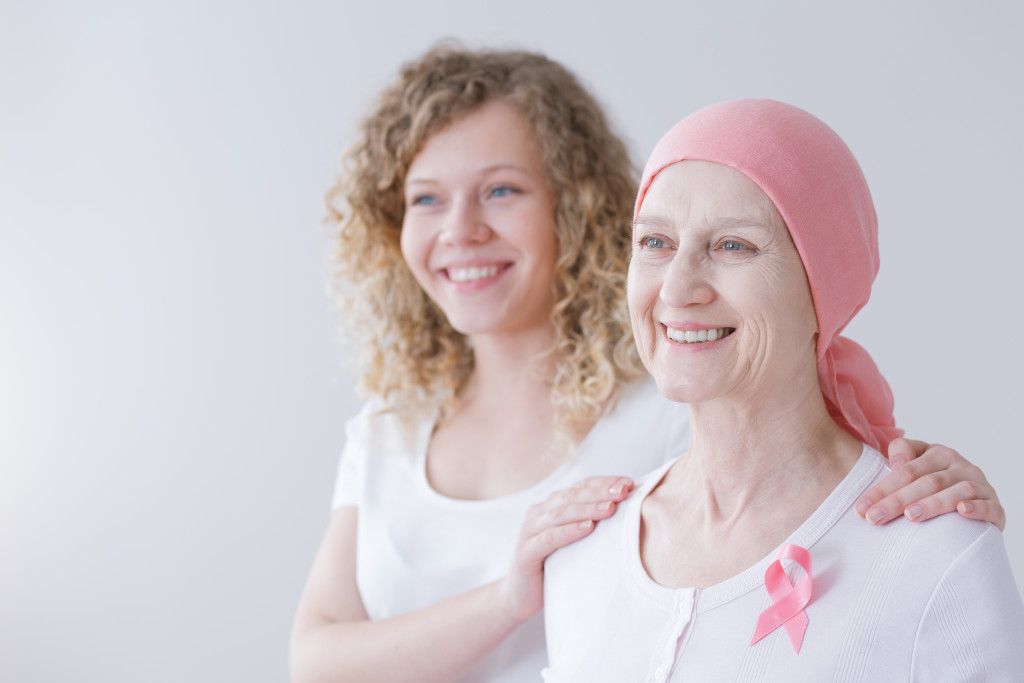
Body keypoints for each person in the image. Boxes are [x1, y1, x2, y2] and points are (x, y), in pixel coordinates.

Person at [289, 46, 1005, 683]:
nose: (460, 229)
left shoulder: (672, 402)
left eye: (501, 189)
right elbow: (314, 659)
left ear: (576, 209)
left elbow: (801, 446)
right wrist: (513, 592)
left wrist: (930, 501)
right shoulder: (394, 433)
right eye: (424, 198)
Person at [542, 99, 1024, 681]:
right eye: (655, 243)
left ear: (825, 286)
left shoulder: (936, 557)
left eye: (733, 246)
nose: (677, 287)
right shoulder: (583, 551)